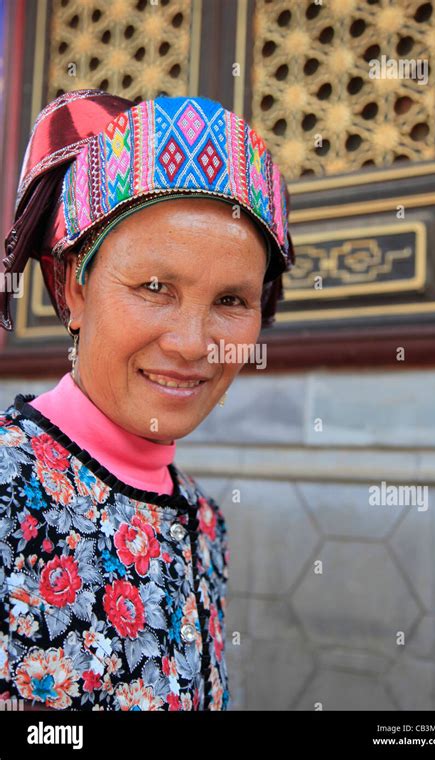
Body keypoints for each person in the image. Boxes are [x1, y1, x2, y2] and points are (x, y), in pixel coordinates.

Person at [0, 90, 294, 711]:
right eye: (155, 286)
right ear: (70, 287)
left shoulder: (204, 522)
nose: (192, 344)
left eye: (231, 301)